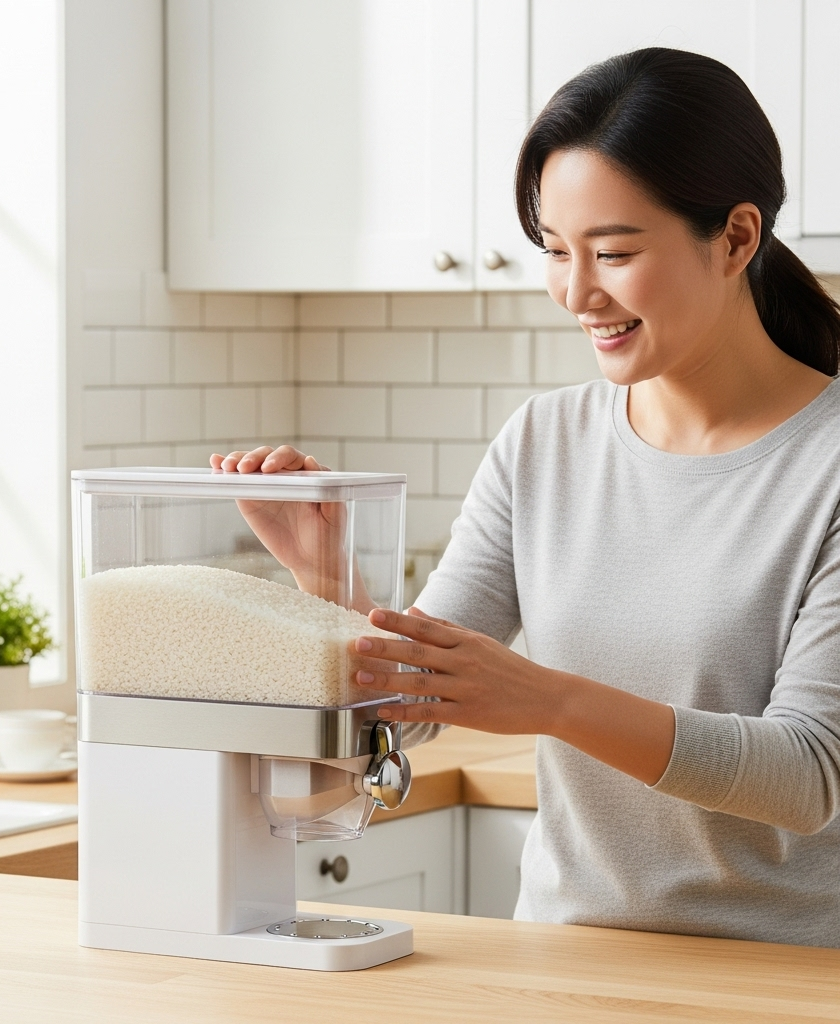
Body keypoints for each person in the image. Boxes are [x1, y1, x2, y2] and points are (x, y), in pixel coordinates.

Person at [211, 48, 840, 948]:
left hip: (779, 980)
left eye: (615, 253)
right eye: (554, 251)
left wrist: (548, 702)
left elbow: (808, 775)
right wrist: (330, 583)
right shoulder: (544, 442)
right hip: (558, 959)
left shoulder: (826, 466)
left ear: (737, 238)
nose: (577, 293)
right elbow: (415, 706)